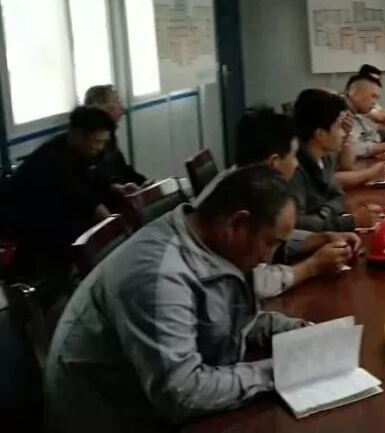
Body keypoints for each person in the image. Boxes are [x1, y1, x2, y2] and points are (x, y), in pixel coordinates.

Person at [44, 166, 310, 432]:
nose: (269, 258)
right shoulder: (159, 274)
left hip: (149, 403)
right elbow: (182, 394)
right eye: (271, 243)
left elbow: (221, 320)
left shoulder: (210, 246)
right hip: (110, 420)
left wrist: (292, 331)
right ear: (237, 224)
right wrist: (280, 371)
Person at [196, 107, 359, 298]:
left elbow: (271, 234)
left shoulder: (242, 181)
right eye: (294, 156)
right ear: (273, 162)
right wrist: (312, 266)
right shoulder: (239, 203)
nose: (296, 164)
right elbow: (251, 282)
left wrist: (321, 238)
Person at [8, 107, 116, 285]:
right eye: (97, 142)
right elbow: (76, 192)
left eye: (104, 142)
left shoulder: (83, 151)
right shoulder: (51, 158)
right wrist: (110, 221)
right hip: (31, 228)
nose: (100, 147)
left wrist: (115, 188)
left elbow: (95, 179)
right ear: (77, 135)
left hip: (58, 220)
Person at [290, 89, 385, 232]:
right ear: (320, 134)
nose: (343, 133)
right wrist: (351, 221)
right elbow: (297, 223)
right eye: (339, 126)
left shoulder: (325, 157)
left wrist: (324, 213)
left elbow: (339, 196)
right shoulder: (294, 169)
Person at [83, 84, 147, 197]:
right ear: (99, 107)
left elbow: (121, 168)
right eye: (116, 101)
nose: (121, 107)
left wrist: (144, 183)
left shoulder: (110, 135)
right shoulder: (88, 140)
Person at [340, 73, 385, 169]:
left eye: (376, 98)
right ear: (354, 93)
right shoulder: (339, 113)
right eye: (373, 96)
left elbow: (369, 138)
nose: (374, 103)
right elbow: (355, 149)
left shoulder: (357, 111)